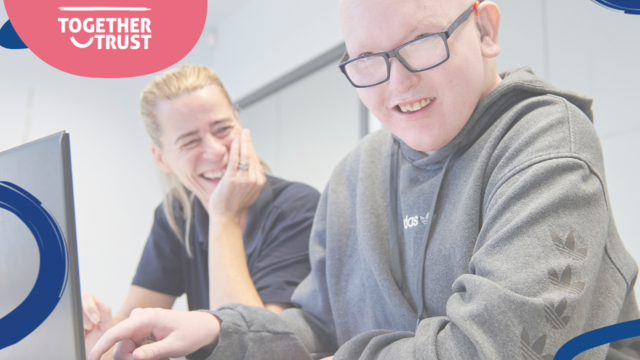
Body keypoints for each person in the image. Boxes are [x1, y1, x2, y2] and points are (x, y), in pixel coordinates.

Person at [88, 1, 640, 359]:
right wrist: (217, 331)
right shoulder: (354, 177)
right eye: (366, 61)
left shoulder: (547, 142)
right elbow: (319, 329)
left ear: (485, 28)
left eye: (423, 42)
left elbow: (490, 348)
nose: (397, 82)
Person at [82, 64, 321, 360]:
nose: (216, 151)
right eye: (190, 141)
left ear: (239, 124)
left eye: (223, 129)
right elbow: (132, 321)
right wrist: (103, 336)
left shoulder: (297, 208)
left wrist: (223, 216)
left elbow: (258, 350)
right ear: (161, 158)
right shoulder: (178, 212)